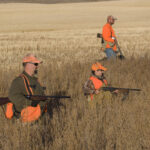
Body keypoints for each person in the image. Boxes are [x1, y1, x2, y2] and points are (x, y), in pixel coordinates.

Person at [6, 54, 47, 123]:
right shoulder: (18, 81)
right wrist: (31, 102)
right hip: (26, 122)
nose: (37, 67)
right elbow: (13, 97)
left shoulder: (35, 80)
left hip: (38, 119)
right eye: (36, 64)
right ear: (28, 64)